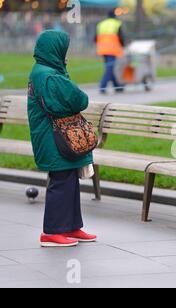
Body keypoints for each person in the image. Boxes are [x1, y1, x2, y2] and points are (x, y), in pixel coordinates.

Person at [28, 30, 97, 247]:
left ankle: (71, 227)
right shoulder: (48, 76)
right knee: (60, 181)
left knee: (69, 180)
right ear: (54, 50)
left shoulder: (46, 71)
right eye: (64, 50)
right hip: (54, 138)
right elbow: (79, 100)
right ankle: (51, 232)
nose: (66, 54)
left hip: (55, 136)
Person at [96, 9, 125, 94]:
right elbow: (121, 37)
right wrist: (123, 46)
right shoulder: (117, 24)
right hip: (112, 49)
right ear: (114, 15)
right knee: (109, 69)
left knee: (109, 68)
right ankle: (102, 87)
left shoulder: (101, 24)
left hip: (102, 49)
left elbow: (95, 38)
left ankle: (117, 87)